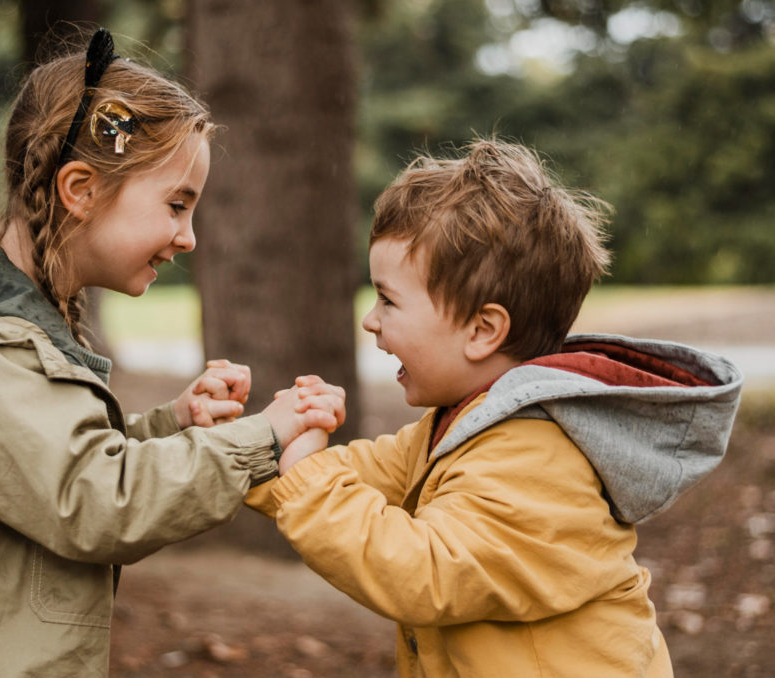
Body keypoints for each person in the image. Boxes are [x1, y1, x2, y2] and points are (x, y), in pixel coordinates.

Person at [0, 28, 344, 677]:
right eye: (177, 205)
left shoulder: (2, 337)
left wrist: (171, 426)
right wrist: (266, 436)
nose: (190, 238)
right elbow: (97, 501)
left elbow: (52, 464)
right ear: (81, 189)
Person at [249, 138, 743, 677]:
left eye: (388, 299)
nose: (371, 320)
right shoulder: (462, 422)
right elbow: (364, 472)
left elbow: (425, 571)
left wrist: (306, 479)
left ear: (483, 330)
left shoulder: (534, 458)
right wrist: (253, 446)